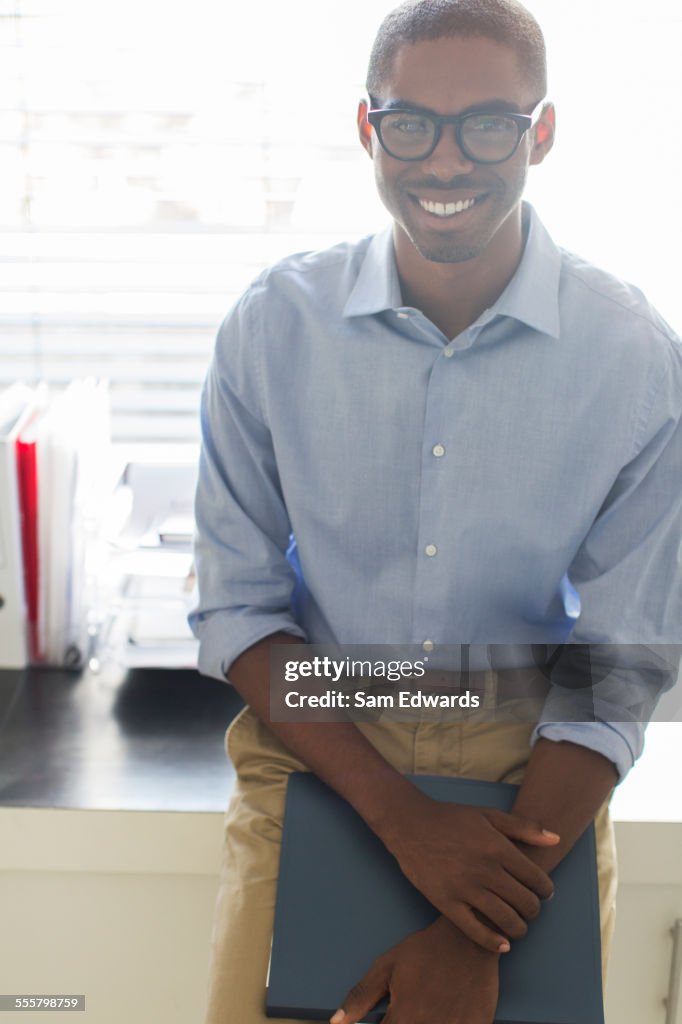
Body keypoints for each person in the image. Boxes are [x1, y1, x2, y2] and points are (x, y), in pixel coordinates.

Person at [190, 1, 682, 1022]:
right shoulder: (272, 326)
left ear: (539, 133)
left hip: (532, 796)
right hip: (322, 753)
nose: (445, 161)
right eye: (412, 123)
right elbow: (240, 612)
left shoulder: (633, 356)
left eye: (487, 124)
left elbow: (619, 659)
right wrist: (407, 820)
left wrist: (478, 926)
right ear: (368, 128)